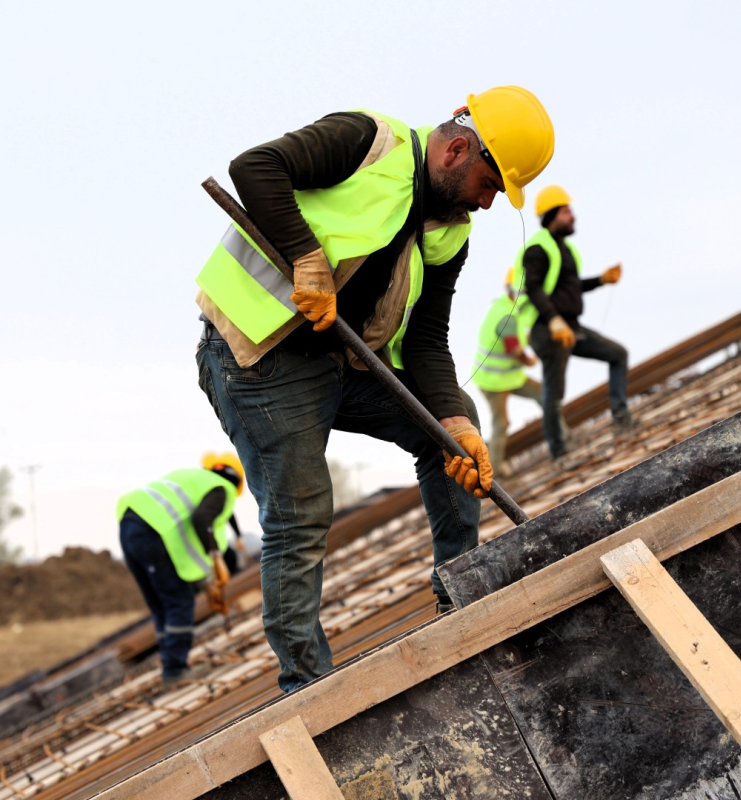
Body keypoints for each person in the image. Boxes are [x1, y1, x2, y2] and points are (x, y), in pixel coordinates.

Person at [194, 87, 555, 691]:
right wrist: (306, 259)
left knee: (453, 427)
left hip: (342, 362)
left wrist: (458, 431)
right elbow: (253, 169)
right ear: (459, 150)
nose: (490, 204)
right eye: (491, 186)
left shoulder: (451, 230)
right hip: (257, 358)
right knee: (300, 511)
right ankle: (307, 688)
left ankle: (459, 595)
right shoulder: (366, 141)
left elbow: (426, 341)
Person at [513, 185, 630, 463]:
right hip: (548, 329)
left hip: (570, 326)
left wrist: (601, 280)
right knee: (554, 394)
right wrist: (553, 321)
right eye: (567, 211)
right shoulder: (539, 248)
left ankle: (622, 419)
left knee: (618, 354)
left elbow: (571, 287)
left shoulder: (564, 249)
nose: (572, 215)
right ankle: (559, 451)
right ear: (553, 214)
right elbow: (533, 287)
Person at [117, 453, 244, 687]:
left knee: (161, 605)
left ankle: (171, 666)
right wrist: (216, 558)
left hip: (129, 526)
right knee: (179, 602)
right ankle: (174, 671)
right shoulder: (221, 488)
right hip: (151, 532)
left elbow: (184, 544)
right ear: (237, 482)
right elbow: (201, 520)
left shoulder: (192, 478)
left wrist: (205, 585)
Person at [473, 269, 542, 479]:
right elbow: (513, 347)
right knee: (501, 424)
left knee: (544, 394)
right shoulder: (508, 315)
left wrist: (533, 340)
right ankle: (495, 472)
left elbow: (518, 336)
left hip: (509, 377)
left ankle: (561, 434)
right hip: (494, 382)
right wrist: (529, 360)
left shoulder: (504, 306)